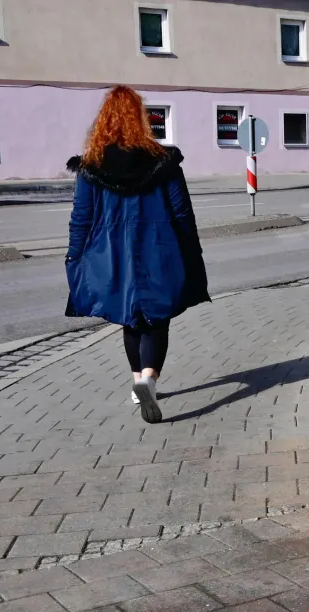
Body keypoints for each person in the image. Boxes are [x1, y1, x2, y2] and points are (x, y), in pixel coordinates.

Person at [65, 85, 209, 424]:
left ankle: (136, 383)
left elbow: (80, 218)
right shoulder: (164, 163)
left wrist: (74, 257)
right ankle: (149, 378)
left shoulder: (92, 167)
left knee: (130, 318)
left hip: (112, 255)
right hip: (160, 249)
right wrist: (191, 251)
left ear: (104, 122)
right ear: (140, 120)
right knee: (157, 318)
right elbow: (182, 213)